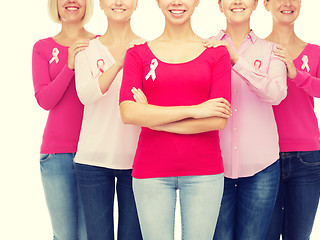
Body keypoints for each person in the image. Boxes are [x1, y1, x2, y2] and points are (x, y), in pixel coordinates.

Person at [119, 0, 232, 239]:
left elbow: (217, 120)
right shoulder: (137, 53)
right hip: (151, 171)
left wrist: (152, 118)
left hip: (204, 171)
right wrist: (194, 109)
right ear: (158, 2)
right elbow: (129, 113)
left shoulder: (217, 53)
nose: (177, 2)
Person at [202, 0, 287, 239]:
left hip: (261, 166)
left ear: (256, 4)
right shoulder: (203, 48)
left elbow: (276, 94)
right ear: (220, 5)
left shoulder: (272, 50)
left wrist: (236, 60)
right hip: (213, 166)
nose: (237, 1)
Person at [263, 0, 320, 239]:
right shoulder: (256, 49)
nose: (287, 3)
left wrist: (297, 75)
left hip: (307, 160)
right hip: (264, 159)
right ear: (265, 4)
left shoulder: (316, 52)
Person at [73, 0, 143, 239]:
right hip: (92, 161)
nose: (119, 2)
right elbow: (86, 95)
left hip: (138, 162)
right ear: (101, 4)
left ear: (136, 4)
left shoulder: (148, 48)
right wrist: (119, 63)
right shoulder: (86, 49)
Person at [31, 0, 95, 239]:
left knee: (90, 235)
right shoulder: (42, 48)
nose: (71, 1)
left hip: (94, 155)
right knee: (65, 235)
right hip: (56, 156)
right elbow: (45, 100)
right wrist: (69, 65)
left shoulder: (100, 43)